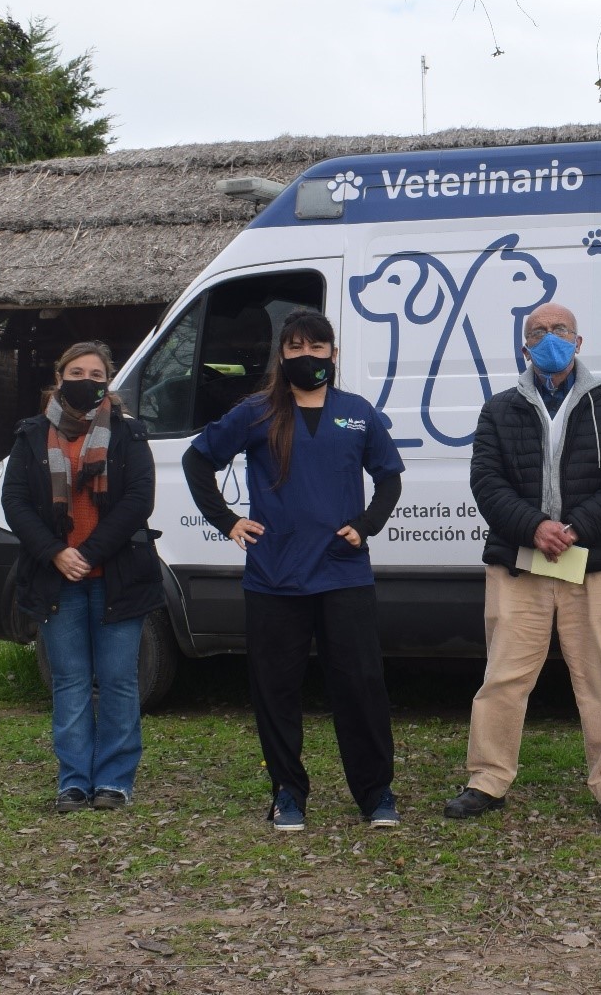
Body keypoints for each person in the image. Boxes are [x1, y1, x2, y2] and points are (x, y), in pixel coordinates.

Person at [182, 309, 405, 832]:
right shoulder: (256, 412)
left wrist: (366, 524)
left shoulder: (357, 413)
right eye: (297, 348)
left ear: (333, 354)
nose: (308, 356)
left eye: (317, 347)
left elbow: (389, 477)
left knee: (360, 686)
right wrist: (228, 521)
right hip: (275, 575)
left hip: (343, 574)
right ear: (282, 356)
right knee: (276, 688)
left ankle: (376, 792)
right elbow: (198, 460)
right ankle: (287, 792)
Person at [444, 302, 601, 830]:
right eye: (538, 332)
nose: (550, 338)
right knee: (503, 677)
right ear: (525, 348)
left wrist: (575, 529)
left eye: (560, 329)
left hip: (592, 564)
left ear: (578, 342)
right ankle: (487, 779)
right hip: (519, 564)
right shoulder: (499, 409)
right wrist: (535, 527)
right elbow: (486, 482)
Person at [1, 341, 163, 813]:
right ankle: (73, 782)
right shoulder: (31, 434)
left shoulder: (129, 434)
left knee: (118, 681)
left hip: (119, 576)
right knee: (70, 682)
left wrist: (86, 554)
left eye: (96, 374)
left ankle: (114, 781)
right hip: (56, 579)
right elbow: (15, 503)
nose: (86, 380)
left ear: (107, 382)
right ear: (59, 377)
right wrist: (55, 552)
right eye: (76, 372)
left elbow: (138, 500)